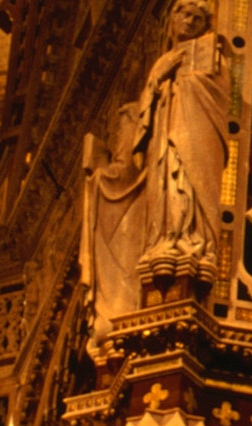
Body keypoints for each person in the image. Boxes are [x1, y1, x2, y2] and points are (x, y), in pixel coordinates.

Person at [87, 0, 226, 338]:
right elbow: (142, 131)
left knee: (185, 183)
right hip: (165, 136)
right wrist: (157, 79)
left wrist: (181, 86)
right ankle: (169, 239)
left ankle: (190, 240)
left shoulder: (212, 52)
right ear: (171, 19)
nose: (189, 22)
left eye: (197, 17)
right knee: (166, 182)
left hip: (190, 132)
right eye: (184, 14)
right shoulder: (164, 61)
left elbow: (224, 99)